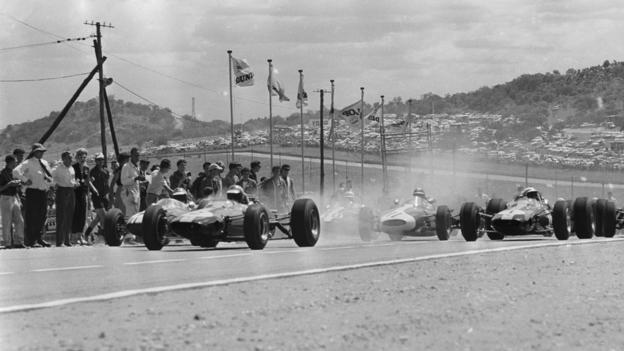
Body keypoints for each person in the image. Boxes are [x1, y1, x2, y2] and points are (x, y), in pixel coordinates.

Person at [12, 143, 53, 247]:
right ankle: (31, 240)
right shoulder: (28, 163)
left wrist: (48, 181)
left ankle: (39, 238)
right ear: (34, 152)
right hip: (32, 191)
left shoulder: (44, 162)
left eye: (42, 152)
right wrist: (25, 180)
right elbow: (15, 171)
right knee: (32, 216)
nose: (41, 154)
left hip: (42, 191)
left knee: (42, 216)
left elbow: (50, 175)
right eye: (39, 152)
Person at [52, 152, 78, 247]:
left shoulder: (71, 168)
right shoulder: (57, 168)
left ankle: (67, 240)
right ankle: (60, 241)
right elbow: (50, 178)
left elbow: (72, 180)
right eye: (69, 158)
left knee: (69, 216)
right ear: (63, 159)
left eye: (71, 158)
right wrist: (54, 185)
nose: (71, 160)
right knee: (61, 216)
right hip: (62, 191)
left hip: (71, 191)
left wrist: (75, 183)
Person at [120, 148, 145, 243]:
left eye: (139, 155)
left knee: (134, 215)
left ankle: (133, 236)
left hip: (136, 193)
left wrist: (140, 181)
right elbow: (123, 181)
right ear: (131, 155)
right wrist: (135, 178)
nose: (138, 157)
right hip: (128, 192)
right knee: (129, 214)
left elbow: (136, 180)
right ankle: (128, 237)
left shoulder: (136, 167)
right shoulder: (126, 166)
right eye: (136, 155)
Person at [83, 153, 110, 243]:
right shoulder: (92, 171)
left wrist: (109, 194)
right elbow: (88, 181)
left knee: (98, 218)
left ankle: (86, 235)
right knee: (104, 217)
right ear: (96, 161)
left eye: (102, 159)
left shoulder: (106, 171)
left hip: (105, 196)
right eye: (98, 160)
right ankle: (103, 237)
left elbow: (107, 184)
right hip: (96, 196)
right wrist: (94, 190)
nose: (100, 161)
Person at [0, 155, 25, 248]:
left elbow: (17, 188)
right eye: (15, 161)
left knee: (19, 220)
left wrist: (18, 199)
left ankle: (19, 241)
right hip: (5, 198)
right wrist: (9, 184)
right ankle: (7, 243)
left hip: (14, 197)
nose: (16, 163)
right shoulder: (2, 174)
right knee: (7, 221)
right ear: (10, 162)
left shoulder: (14, 173)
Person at [72, 148, 93, 245]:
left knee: (82, 215)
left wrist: (90, 191)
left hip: (84, 193)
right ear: (77, 157)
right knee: (75, 214)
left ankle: (80, 236)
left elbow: (87, 182)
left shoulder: (86, 168)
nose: (83, 158)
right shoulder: (73, 167)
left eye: (84, 156)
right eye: (80, 156)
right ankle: (74, 236)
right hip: (75, 193)